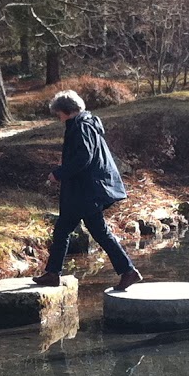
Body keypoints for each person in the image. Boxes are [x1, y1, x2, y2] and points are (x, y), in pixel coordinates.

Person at [35, 90, 143, 290]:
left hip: (85, 191)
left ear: (66, 111)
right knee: (72, 230)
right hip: (85, 190)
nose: (59, 118)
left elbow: (83, 158)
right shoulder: (86, 123)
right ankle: (53, 273)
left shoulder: (81, 127)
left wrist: (59, 173)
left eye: (58, 114)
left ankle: (127, 271)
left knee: (83, 231)